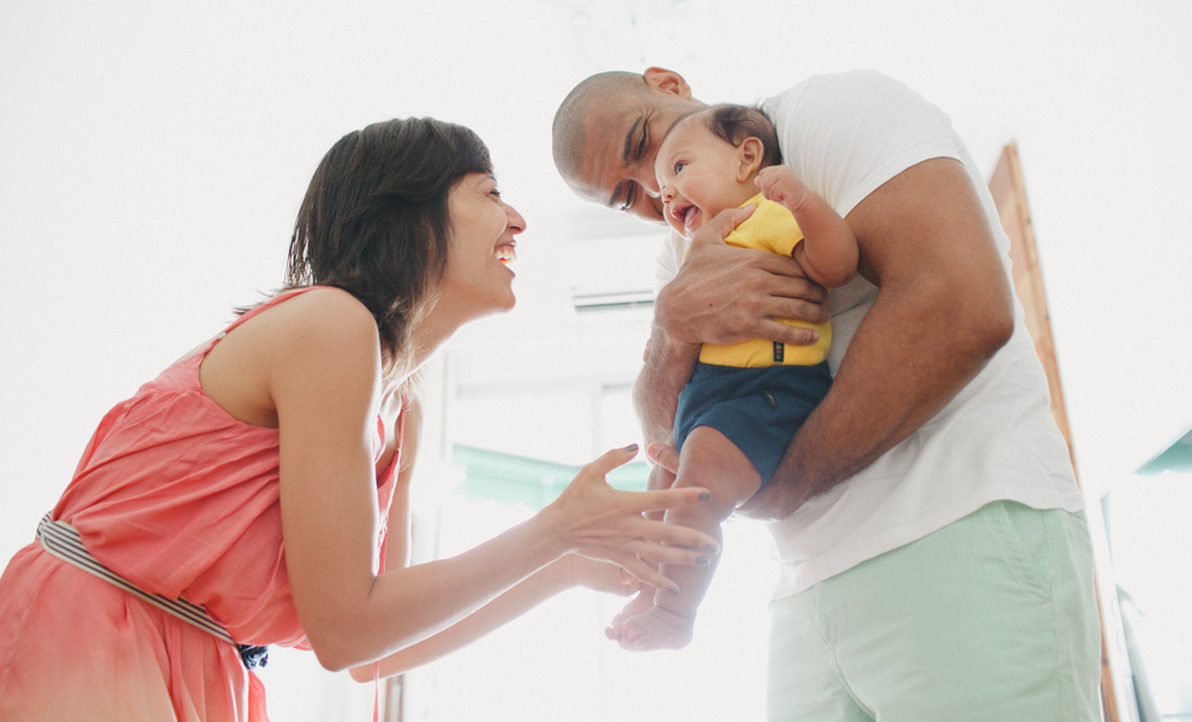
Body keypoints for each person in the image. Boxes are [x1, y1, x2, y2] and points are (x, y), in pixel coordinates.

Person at [0, 116, 720, 722]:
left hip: (191, 662)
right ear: (411, 212)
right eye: (493, 193)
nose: (519, 219)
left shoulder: (398, 408)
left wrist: (565, 565)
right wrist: (556, 529)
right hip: (98, 632)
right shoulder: (332, 324)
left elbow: (377, 649)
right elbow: (347, 630)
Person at [553, 69, 1101, 719]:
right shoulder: (682, 252)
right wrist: (674, 322)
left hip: (955, 529)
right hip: (805, 591)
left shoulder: (829, 113)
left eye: (644, 143)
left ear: (669, 85)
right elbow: (661, 435)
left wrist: (781, 487)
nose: (655, 189)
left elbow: (964, 303)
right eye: (626, 196)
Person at [605, 103, 858, 652]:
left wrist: (804, 203)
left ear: (746, 158)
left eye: (678, 169)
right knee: (658, 503)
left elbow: (836, 265)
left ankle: (676, 615)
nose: (665, 195)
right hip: (708, 395)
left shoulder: (764, 214)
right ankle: (651, 591)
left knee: (695, 498)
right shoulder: (691, 247)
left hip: (765, 392)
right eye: (655, 191)